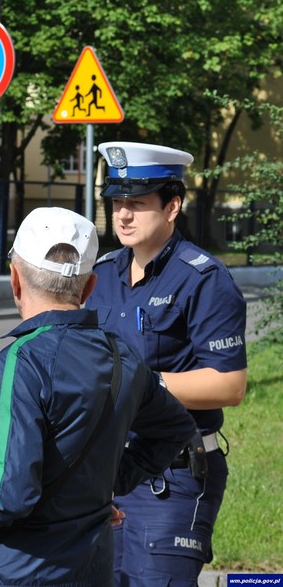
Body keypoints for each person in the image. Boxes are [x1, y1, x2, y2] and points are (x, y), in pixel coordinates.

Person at [0, 207, 197, 586]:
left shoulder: (22, 360)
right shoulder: (121, 355)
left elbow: (4, 498)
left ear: (15, 279)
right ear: (90, 286)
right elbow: (176, 429)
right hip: (93, 570)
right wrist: (102, 485)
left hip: (19, 574)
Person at [86, 142, 248, 586]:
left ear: (172, 206)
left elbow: (229, 385)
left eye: (136, 203)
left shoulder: (203, 279)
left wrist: (139, 381)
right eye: (117, 203)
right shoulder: (102, 275)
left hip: (171, 478)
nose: (122, 215)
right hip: (105, 474)